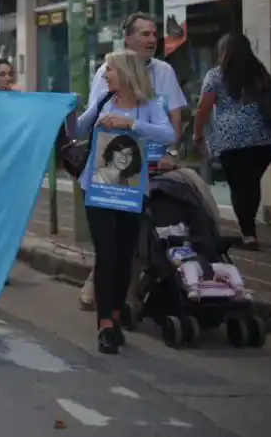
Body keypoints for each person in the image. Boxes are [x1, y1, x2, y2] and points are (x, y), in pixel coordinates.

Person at [78, 12, 186, 311]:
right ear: (128, 39)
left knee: (132, 240)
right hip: (107, 174)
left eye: (154, 34)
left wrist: (171, 153)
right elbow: (88, 121)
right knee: (108, 244)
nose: (152, 39)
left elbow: (174, 117)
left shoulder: (163, 73)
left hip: (149, 167)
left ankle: (123, 299)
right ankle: (108, 305)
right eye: (144, 34)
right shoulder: (107, 73)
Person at [71, 49, 175, 354]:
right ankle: (105, 325)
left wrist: (130, 125)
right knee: (106, 254)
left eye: (110, 69)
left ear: (127, 73)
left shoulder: (149, 105)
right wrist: (72, 111)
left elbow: (168, 134)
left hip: (131, 190)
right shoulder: (104, 100)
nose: (105, 75)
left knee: (124, 255)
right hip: (98, 188)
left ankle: (116, 315)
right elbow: (77, 130)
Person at [193, 32, 271, 250]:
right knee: (251, 182)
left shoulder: (216, 75)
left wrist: (198, 133)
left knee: (238, 185)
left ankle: (249, 235)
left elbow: (203, 108)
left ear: (223, 51)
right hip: (265, 139)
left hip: (231, 140)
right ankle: (249, 231)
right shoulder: (259, 73)